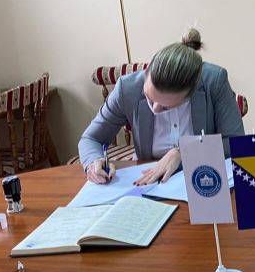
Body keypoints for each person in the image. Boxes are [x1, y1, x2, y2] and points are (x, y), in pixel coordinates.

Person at [78, 28, 245, 185]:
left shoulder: (214, 81)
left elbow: (235, 143)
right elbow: (91, 138)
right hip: (147, 180)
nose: (155, 109)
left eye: (166, 108)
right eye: (149, 98)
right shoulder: (126, 89)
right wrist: (94, 161)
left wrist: (184, 152)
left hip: (201, 178)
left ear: (191, 93)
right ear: (147, 71)